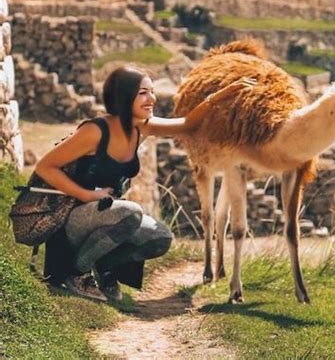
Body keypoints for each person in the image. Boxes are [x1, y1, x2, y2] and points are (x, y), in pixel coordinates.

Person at [35, 66, 254, 302]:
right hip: (70, 216)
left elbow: (188, 124)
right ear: (123, 96)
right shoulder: (94, 131)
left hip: (101, 214)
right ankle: (76, 274)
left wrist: (222, 94)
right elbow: (45, 167)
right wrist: (86, 195)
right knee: (131, 212)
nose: (152, 98)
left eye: (152, 91)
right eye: (143, 93)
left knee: (159, 238)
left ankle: (104, 269)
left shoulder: (143, 127)